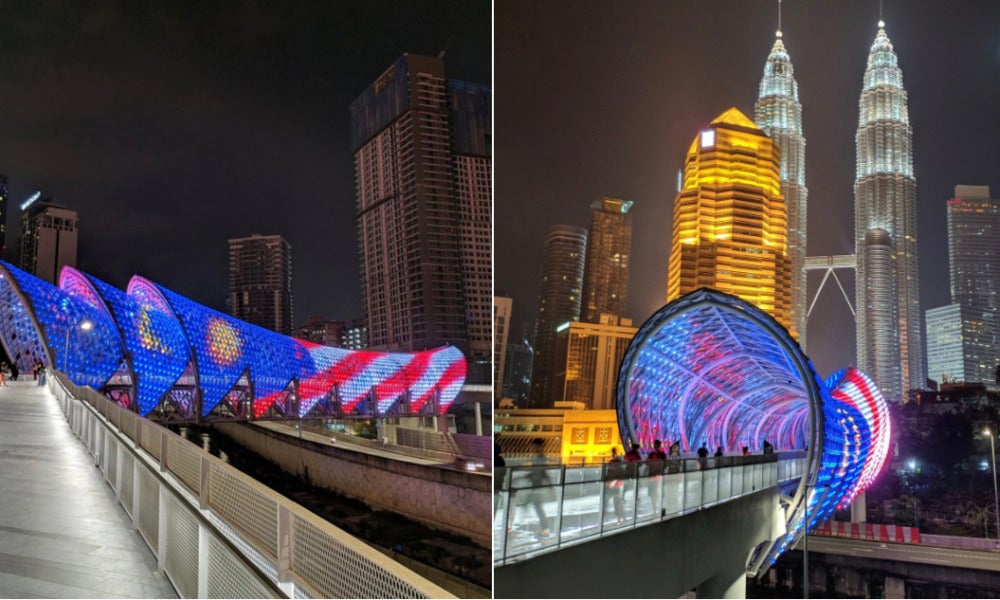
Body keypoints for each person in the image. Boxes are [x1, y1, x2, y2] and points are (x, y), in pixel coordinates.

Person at [527, 438, 551, 535]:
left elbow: (542, 472)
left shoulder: (540, 458)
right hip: (536, 486)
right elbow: (539, 472)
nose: (533, 448)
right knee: (537, 507)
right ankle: (545, 528)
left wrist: (550, 485)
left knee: (538, 508)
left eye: (534, 446)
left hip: (538, 486)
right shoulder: (539, 457)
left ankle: (545, 529)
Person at [605, 446, 626, 525]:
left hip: (617, 485)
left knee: (617, 502)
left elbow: (619, 473)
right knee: (615, 501)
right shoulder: (612, 462)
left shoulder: (616, 462)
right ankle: (620, 518)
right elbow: (609, 472)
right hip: (613, 484)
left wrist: (613, 481)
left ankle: (619, 520)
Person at [646, 439, 667, 515]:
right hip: (655, 476)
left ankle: (656, 509)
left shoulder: (652, 455)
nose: (655, 447)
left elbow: (646, 463)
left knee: (654, 494)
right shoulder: (661, 455)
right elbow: (666, 465)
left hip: (654, 476)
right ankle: (656, 509)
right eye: (655, 446)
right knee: (654, 494)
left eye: (656, 446)